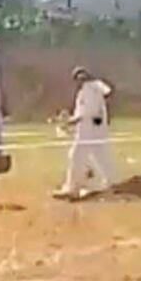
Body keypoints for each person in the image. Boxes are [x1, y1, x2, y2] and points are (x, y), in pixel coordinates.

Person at [54, 67, 114, 198]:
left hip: (88, 131)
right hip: (96, 130)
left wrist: (70, 121)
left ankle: (72, 188)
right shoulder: (95, 88)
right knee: (100, 157)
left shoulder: (88, 91)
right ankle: (107, 183)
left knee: (76, 156)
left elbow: (86, 113)